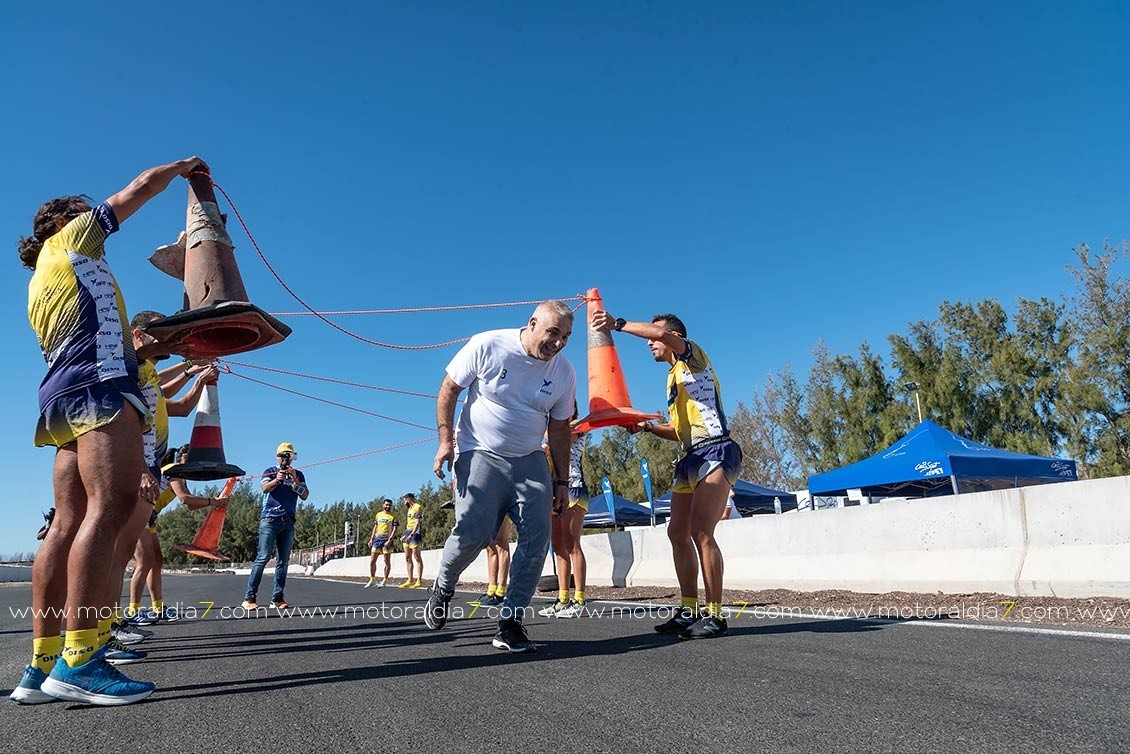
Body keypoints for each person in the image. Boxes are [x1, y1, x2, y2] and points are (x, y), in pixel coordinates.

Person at [12, 156, 207, 707]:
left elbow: (121, 343)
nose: (90, 215)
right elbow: (138, 189)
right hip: (99, 389)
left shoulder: (42, 280)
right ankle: (81, 660)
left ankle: (42, 665)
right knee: (111, 506)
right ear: (59, 223)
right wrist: (185, 168)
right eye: (79, 210)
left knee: (68, 521)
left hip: (62, 391)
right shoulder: (71, 242)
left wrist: (172, 347)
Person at [426, 301, 577, 653]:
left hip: (530, 459)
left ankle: (510, 623)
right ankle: (444, 585)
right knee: (474, 535)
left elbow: (559, 429)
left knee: (537, 537)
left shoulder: (564, 372)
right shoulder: (489, 344)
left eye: (566, 337)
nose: (558, 343)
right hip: (479, 451)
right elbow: (449, 389)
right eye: (553, 333)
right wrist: (445, 442)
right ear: (533, 323)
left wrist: (561, 482)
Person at [591, 310, 742, 640]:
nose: (649, 342)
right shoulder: (672, 376)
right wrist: (646, 427)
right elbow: (678, 430)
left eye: (654, 335)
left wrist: (617, 324)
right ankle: (689, 609)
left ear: (672, 336)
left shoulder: (693, 356)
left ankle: (716, 616)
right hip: (690, 456)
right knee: (677, 532)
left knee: (702, 530)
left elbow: (663, 336)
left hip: (716, 449)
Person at [130, 444, 229, 619]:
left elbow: (191, 504)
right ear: (182, 457)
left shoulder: (180, 476)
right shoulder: (174, 471)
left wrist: (214, 501)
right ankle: (133, 611)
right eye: (193, 458)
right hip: (138, 513)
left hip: (149, 516)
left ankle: (158, 608)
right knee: (145, 562)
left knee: (156, 561)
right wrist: (214, 501)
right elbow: (185, 500)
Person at [243, 443, 309, 610]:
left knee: (283, 561)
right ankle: (249, 597)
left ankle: (277, 598)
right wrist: (277, 480)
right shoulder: (270, 471)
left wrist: (294, 480)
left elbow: (305, 495)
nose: (285, 459)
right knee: (263, 556)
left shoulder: (298, 474)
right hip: (270, 519)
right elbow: (264, 488)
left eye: (289, 455)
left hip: (288, 521)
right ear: (277, 456)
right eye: (282, 455)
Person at [539, 412, 589, 619]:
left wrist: (538, 421)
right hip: (554, 491)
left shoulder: (577, 426)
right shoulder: (551, 431)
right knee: (558, 548)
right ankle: (563, 598)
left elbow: (558, 437)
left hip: (574, 488)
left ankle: (579, 599)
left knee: (572, 546)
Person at [476, 518, 511, 607]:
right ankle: (491, 591)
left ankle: (500, 593)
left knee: (501, 543)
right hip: (489, 506)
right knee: (490, 546)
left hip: (505, 506)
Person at [365, 499, 399, 588]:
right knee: (372, 561)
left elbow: (395, 529)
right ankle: (372, 579)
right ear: (383, 505)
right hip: (377, 540)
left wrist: (390, 540)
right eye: (386, 505)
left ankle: (384, 580)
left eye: (390, 505)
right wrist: (371, 539)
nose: (388, 506)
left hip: (387, 540)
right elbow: (375, 527)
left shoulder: (394, 516)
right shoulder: (378, 515)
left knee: (386, 561)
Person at [399, 493, 424, 588]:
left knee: (417, 557)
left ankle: (419, 580)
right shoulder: (409, 509)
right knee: (408, 557)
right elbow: (409, 523)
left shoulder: (417, 507)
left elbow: (417, 523)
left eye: (405, 499)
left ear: (410, 498)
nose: (404, 501)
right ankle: (410, 580)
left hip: (415, 532)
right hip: (408, 532)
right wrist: (405, 535)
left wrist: (411, 535)